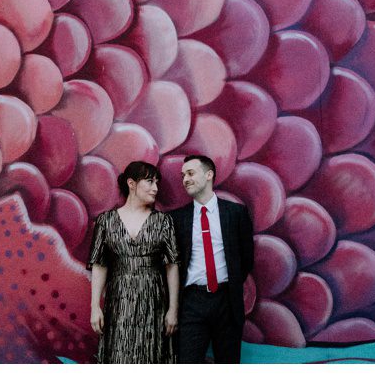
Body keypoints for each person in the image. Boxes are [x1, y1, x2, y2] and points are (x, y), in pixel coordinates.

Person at [87, 160, 180, 364]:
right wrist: (95, 306)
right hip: (119, 302)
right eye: (149, 181)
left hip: (154, 301)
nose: (155, 188)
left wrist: (173, 309)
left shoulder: (164, 221)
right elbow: (99, 264)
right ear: (131, 183)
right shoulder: (106, 221)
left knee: (152, 356)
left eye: (157, 182)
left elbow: (172, 266)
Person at [170, 153, 255, 363]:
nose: (185, 179)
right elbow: (174, 263)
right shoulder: (177, 219)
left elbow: (246, 258)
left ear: (209, 175)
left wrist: (230, 285)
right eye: (183, 175)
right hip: (192, 302)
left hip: (227, 300)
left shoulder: (235, 213)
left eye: (190, 173)